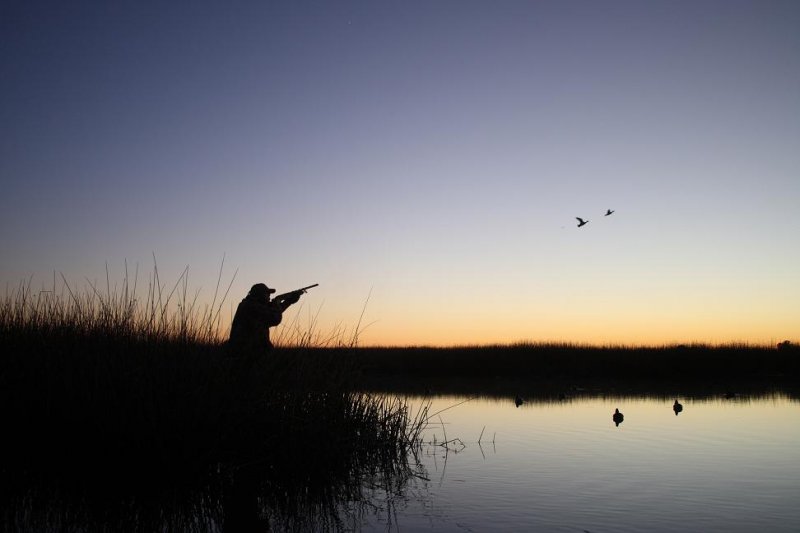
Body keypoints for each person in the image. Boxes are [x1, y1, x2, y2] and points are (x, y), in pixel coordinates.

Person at [228, 283, 302, 354]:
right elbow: (275, 318)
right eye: (267, 294)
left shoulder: (249, 304)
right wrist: (277, 301)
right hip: (247, 351)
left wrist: (289, 301)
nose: (269, 296)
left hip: (249, 348)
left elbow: (272, 311)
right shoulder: (251, 306)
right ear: (259, 295)